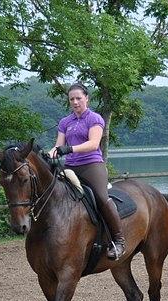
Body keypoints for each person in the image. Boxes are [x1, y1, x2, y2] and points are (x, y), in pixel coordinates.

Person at [49, 83, 125, 260]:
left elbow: (93, 144)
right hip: (70, 167)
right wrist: (48, 155)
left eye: (78, 98)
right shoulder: (65, 122)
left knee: (101, 197)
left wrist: (70, 149)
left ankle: (119, 241)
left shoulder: (95, 118)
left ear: (86, 99)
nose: (75, 102)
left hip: (91, 165)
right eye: (71, 99)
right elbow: (58, 146)